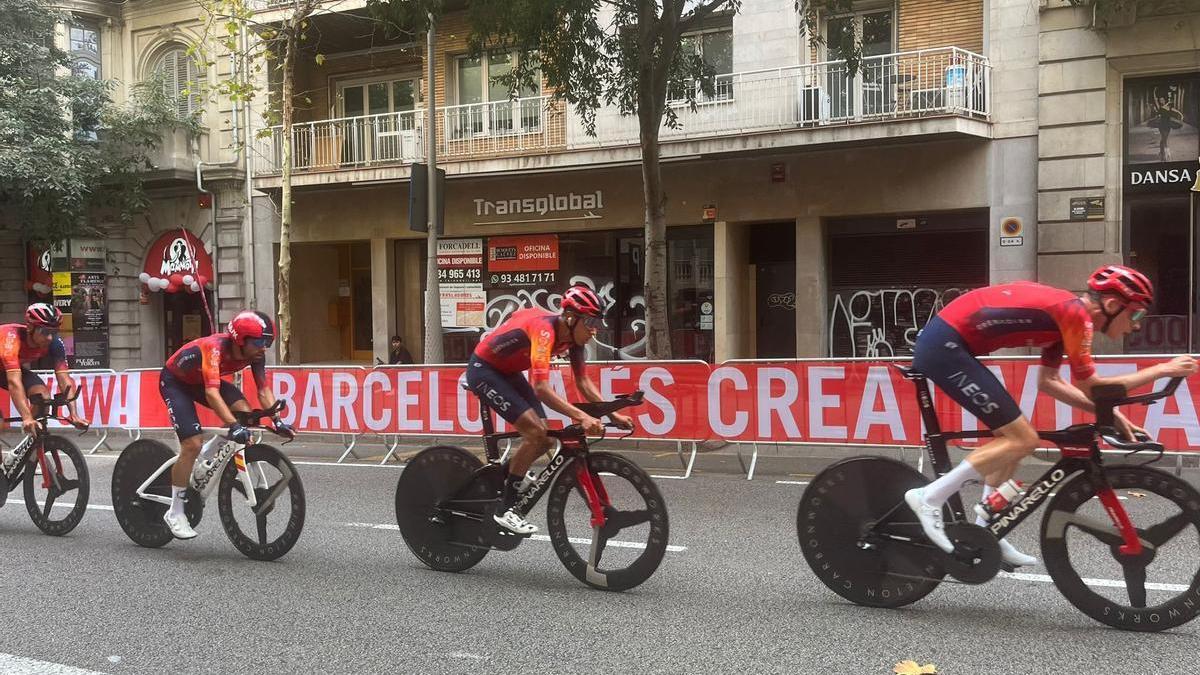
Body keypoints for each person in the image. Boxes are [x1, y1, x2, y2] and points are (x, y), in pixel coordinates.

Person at [904, 265, 1197, 568]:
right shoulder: (1075, 316)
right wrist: (1162, 369)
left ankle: (985, 529)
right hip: (944, 348)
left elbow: (1050, 382)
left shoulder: (1065, 319)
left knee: (1012, 440)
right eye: (1136, 315)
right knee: (1023, 439)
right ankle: (929, 497)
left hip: (951, 345)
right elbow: (1093, 387)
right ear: (1112, 305)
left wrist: (1112, 416)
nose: (1135, 326)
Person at [466, 285, 633, 535]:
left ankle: (505, 477)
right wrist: (582, 416)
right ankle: (506, 510)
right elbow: (541, 388)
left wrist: (614, 414)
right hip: (484, 370)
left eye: (597, 323)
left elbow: (583, 382)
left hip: (508, 372)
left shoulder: (573, 340)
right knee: (535, 433)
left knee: (543, 439)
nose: (594, 330)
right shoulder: (545, 331)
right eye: (590, 322)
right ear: (570, 318)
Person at [158, 310, 294, 539]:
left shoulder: (255, 355)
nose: (264, 348)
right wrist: (233, 426)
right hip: (175, 382)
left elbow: (263, 390)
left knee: (245, 415)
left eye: (268, 342)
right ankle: (175, 512)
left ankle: (207, 455)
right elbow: (212, 393)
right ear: (241, 340)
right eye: (259, 342)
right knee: (192, 444)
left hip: (199, 381)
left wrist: (277, 421)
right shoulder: (214, 348)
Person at [0, 303, 89, 441]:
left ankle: (35, 445)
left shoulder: (55, 343)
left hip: (3, 370)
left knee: (42, 397)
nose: (49, 338)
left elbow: (64, 378)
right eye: (44, 331)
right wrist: (27, 417)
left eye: (54, 332)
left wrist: (73, 414)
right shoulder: (11, 339)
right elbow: (14, 382)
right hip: (7, 369)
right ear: (30, 327)